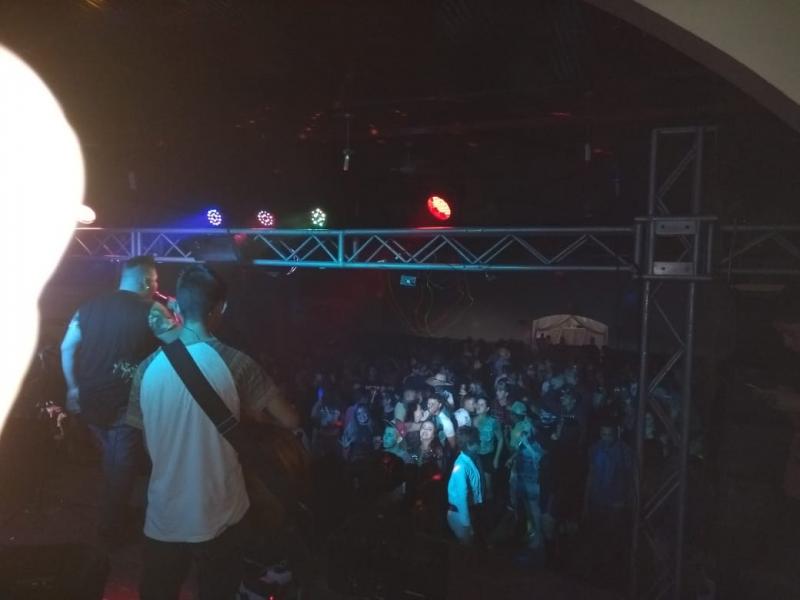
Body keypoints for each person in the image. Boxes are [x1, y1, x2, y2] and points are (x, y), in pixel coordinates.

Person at [126, 265, 298, 599]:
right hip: (222, 511)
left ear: (177, 306)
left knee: (159, 590)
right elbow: (290, 420)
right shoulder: (237, 363)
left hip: (165, 512)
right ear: (221, 308)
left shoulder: (145, 368)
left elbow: (146, 442)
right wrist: (248, 416)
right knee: (218, 589)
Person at [59, 255, 178, 545]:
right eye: (155, 281)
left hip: (89, 399)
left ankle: (117, 515)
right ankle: (110, 530)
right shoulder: (153, 310)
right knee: (120, 466)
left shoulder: (88, 307)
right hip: (124, 404)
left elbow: (66, 347)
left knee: (114, 460)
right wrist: (177, 315)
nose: (157, 287)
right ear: (146, 281)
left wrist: (72, 389)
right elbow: (183, 344)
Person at [447, 426, 484, 544]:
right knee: (467, 547)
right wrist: (466, 523)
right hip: (459, 515)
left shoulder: (471, 459)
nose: (480, 442)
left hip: (467, 511)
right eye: (478, 441)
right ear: (469, 445)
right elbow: (461, 497)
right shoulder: (461, 466)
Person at [474, 397, 504, 499]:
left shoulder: (493, 422)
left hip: (488, 455)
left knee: (488, 485)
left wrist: (496, 458)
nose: (478, 406)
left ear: (487, 409)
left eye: (482, 404)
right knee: (477, 481)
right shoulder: (471, 420)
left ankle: (490, 503)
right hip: (475, 455)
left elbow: (501, 439)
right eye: (478, 403)